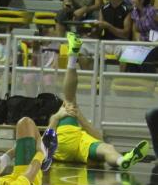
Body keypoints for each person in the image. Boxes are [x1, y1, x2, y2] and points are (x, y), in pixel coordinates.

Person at [48, 32, 148, 168]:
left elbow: (46, 142)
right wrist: (60, 116)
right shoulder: (62, 117)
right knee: (70, 101)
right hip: (66, 143)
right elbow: (45, 142)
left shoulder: (64, 116)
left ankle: (123, 161)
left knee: (108, 148)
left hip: (72, 146)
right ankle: (73, 56)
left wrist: (67, 116)